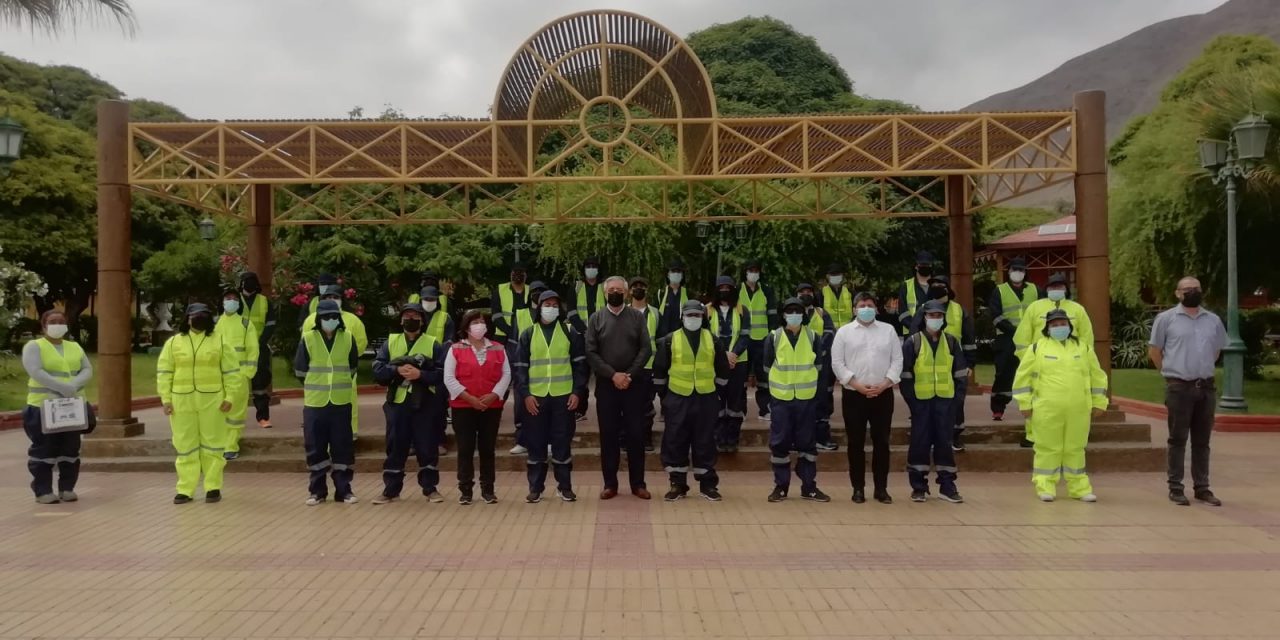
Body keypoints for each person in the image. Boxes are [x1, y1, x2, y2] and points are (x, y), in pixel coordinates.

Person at [1013, 308, 1107, 503]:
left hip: (1078, 408)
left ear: (1070, 326)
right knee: (1048, 448)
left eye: (1062, 324)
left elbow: (1097, 376)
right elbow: (1022, 378)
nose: (1059, 327)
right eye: (1054, 325)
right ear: (1048, 328)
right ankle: (1045, 485)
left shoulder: (1083, 348)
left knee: (1076, 448)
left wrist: (1099, 402)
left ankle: (1079, 488)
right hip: (1047, 408)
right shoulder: (1037, 348)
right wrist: (1024, 403)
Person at [1148, 276, 1227, 507]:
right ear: (1177, 293)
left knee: (1202, 441)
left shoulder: (1213, 320)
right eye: (1187, 289)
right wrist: (1170, 373)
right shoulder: (1166, 319)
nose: (1192, 292)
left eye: (1196, 288)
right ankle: (1176, 487)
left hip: (1206, 387)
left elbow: (1216, 351)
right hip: (1179, 387)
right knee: (1178, 439)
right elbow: (1155, 351)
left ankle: (1202, 488)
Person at [158, 303, 241, 505]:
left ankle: (213, 487)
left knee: (213, 445)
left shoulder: (220, 341)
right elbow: (164, 372)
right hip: (181, 402)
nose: (199, 318)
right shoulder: (173, 343)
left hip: (213, 401)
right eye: (195, 315)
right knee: (185, 446)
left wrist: (230, 397)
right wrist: (166, 399)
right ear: (187, 318)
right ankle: (185, 489)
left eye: (204, 315)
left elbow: (232, 373)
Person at [514, 290, 588, 503]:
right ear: (539, 307)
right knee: (535, 443)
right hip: (536, 398)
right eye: (547, 304)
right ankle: (535, 488)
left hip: (563, 397)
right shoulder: (528, 333)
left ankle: (564, 487)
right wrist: (525, 395)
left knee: (562, 442)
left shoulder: (569, 332)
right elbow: (520, 368)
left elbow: (580, 366)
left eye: (555, 304)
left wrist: (577, 393)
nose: (551, 308)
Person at [371, 303, 447, 505]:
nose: (411, 319)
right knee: (395, 445)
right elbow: (378, 372)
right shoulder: (391, 342)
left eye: (415, 316)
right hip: (398, 403)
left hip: (425, 403)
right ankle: (391, 490)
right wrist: (396, 371)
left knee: (427, 445)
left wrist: (420, 374)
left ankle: (430, 488)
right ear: (401, 320)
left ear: (422, 321)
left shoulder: (433, 344)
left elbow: (442, 374)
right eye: (407, 316)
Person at [653, 300, 730, 502]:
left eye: (697, 315)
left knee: (705, 441)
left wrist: (717, 394)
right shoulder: (670, 340)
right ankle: (677, 484)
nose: (693, 318)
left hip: (706, 398)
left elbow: (723, 370)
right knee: (675, 439)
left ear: (703, 317)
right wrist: (665, 397)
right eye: (690, 315)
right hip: (678, 398)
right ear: (682, 317)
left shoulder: (713, 340)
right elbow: (659, 372)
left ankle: (708, 485)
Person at [587, 275, 655, 499]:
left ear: (626, 293)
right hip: (607, 386)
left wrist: (629, 375)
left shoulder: (636, 317)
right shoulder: (596, 318)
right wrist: (612, 375)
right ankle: (610, 484)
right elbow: (591, 352)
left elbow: (646, 349)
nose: (615, 292)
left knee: (636, 435)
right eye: (611, 289)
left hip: (634, 385)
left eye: (619, 289)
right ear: (605, 293)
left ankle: (638, 484)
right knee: (608, 436)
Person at [831, 291, 903, 504]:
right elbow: (837, 363)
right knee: (856, 443)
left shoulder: (888, 331)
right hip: (855, 395)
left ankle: (881, 489)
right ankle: (858, 488)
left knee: (882, 442)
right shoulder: (844, 333)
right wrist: (857, 385)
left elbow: (897, 361)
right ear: (854, 309)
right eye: (862, 305)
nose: (866, 308)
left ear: (876, 308)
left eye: (870, 304)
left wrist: (885, 383)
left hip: (883, 393)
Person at [900, 300, 968, 503]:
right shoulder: (913, 342)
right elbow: (905, 376)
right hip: (921, 402)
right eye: (932, 316)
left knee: (944, 444)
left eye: (939, 316)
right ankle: (918, 486)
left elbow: (960, 374)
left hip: (946, 402)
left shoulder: (952, 342)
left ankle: (947, 486)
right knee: (919, 443)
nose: (935, 319)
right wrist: (913, 402)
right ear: (924, 318)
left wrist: (957, 400)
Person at [762, 298, 829, 502]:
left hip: (806, 399)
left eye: (798, 311)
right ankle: (780, 486)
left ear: (803, 315)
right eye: (789, 311)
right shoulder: (773, 337)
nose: (794, 315)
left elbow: (818, 366)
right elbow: (766, 368)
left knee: (807, 443)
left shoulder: (813, 337)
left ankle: (809, 486)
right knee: (780, 442)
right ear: (783, 315)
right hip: (781, 399)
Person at [22, 310, 93, 504]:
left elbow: (87, 369)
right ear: (44, 325)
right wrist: (62, 387)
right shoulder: (34, 346)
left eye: (61, 321)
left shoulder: (74, 346)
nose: (57, 325)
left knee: (70, 448)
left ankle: (67, 488)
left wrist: (74, 385)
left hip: (71, 408)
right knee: (45, 449)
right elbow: (35, 371)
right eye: (53, 321)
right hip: (43, 407)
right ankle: (42, 489)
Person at [294, 300, 360, 506]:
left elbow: (352, 367)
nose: (330, 320)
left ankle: (344, 491)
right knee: (315, 447)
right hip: (316, 403)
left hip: (340, 402)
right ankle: (317, 491)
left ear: (339, 318)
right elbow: (300, 371)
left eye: (333, 316)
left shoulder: (348, 338)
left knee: (342, 447)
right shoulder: (308, 338)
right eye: (325, 317)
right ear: (318, 319)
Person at [444, 310, 511, 505]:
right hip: (463, 406)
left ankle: (488, 490)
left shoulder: (498, 348)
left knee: (487, 448)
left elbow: (506, 374)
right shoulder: (455, 348)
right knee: (465, 449)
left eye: (482, 321)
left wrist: (494, 395)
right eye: (475, 322)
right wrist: (469, 398)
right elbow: (449, 378)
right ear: (466, 327)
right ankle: (465, 490)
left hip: (491, 406)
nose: (479, 325)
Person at [910, 275, 976, 451]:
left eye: (940, 285)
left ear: (948, 288)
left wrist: (970, 363)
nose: (936, 288)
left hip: (955, 363)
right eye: (933, 285)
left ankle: (954, 437)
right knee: (929, 404)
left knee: (956, 401)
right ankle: (931, 437)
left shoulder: (959, 310)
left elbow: (969, 338)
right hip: (926, 364)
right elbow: (913, 335)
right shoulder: (923, 309)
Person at [301, 282, 369, 438]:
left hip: (344, 374)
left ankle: (350, 435)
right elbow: (304, 348)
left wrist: (346, 357)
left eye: (336, 297)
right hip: (317, 378)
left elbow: (361, 343)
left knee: (348, 404)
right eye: (328, 297)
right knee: (317, 410)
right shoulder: (310, 320)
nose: (332, 299)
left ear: (342, 299)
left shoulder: (353, 320)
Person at [988, 257, 1040, 425]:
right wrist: (1015, 331)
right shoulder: (999, 291)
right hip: (1006, 338)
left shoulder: (1035, 290)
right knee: (1003, 372)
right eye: (1014, 270)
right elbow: (996, 316)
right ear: (1008, 272)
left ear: (1025, 273)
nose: (1018, 273)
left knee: (1034, 372)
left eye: (1021, 270)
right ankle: (998, 408)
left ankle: (1035, 406)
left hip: (1031, 339)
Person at [492, 264, 532, 454]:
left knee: (523, 384)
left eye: (521, 273)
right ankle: (494, 411)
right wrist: (511, 334)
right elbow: (497, 315)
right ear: (510, 274)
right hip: (504, 340)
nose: (517, 275)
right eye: (514, 272)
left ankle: (527, 436)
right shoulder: (500, 289)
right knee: (503, 380)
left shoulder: (532, 290)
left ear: (525, 275)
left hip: (528, 340)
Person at [709, 275, 751, 452]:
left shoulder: (742, 310)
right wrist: (722, 355)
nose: (724, 291)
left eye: (728, 287)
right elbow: (706, 335)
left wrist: (733, 354)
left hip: (738, 362)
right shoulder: (708, 310)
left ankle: (732, 439)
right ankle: (718, 438)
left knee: (736, 402)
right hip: (715, 363)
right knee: (716, 400)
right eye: (721, 287)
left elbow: (745, 335)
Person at [216, 288, 259, 460]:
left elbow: (253, 350)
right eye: (228, 298)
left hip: (239, 376)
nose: (231, 301)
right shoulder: (215, 324)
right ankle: (220, 443)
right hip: (218, 377)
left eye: (235, 298)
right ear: (223, 301)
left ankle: (231, 445)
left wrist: (247, 373)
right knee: (219, 411)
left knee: (235, 413)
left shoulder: (246, 324)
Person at [1014, 272, 1094, 359]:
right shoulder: (1034, 307)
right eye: (1052, 287)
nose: (1056, 289)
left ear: (1066, 289)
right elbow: (1022, 337)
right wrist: (1029, 359)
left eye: (1059, 287)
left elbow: (1087, 336)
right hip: (1040, 360)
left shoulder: (1078, 309)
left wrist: (1081, 356)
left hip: (1071, 360)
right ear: (1046, 289)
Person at [797, 283, 837, 451]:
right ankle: (798, 439)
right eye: (802, 292)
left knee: (822, 401)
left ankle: (822, 438)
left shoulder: (821, 313)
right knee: (800, 402)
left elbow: (829, 332)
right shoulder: (792, 313)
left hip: (820, 363)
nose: (806, 294)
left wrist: (818, 349)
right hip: (798, 365)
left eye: (809, 291)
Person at [739, 259, 779, 422]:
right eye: (751, 270)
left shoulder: (767, 291)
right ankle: (739, 410)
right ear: (745, 272)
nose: (753, 273)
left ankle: (765, 409)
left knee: (764, 376)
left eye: (756, 270)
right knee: (741, 376)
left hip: (763, 340)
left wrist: (773, 337)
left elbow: (772, 316)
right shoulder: (737, 290)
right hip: (743, 339)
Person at [418, 285, 455, 455]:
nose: (429, 302)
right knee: (415, 407)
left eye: (432, 299)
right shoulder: (415, 316)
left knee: (439, 406)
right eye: (426, 299)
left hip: (438, 366)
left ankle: (440, 441)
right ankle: (415, 442)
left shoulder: (444, 318)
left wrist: (437, 361)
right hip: (416, 367)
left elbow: (448, 343)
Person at [237, 271, 277, 429]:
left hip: (260, 348)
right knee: (236, 385)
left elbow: (271, 324)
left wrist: (260, 342)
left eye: (252, 281)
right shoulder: (235, 301)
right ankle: (234, 418)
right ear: (241, 284)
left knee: (260, 384)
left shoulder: (264, 301)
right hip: (238, 350)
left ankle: (263, 417)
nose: (249, 283)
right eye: (246, 281)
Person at [629, 275, 660, 451]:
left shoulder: (655, 313)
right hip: (629, 366)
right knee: (627, 405)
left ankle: (646, 438)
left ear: (647, 290)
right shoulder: (624, 311)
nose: (638, 289)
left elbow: (661, 338)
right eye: (635, 286)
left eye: (642, 286)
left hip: (649, 366)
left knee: (647, 405)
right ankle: (627, 439)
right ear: (630, 291)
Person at [896, 251, 935, 336]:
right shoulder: (906, 286)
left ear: (931, 266)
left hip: (935, 333)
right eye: (922, 265)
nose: (924, 267)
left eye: (927, 265)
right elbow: (902, 313)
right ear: (916, 266)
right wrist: (915, 328)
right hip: (912, 334)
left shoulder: (938, 285)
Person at [655, 257, 689, 338]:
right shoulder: (661, 293)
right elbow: (655, 317)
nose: (676, 273)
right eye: (673, 271)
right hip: (663, 339)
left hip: (682, 338)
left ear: (682, 274)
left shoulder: (688, 294)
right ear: (668, 274)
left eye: (678, 271)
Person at [821, 264, 854, 328]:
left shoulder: (850, 292)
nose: (835, 276)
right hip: (829, 331)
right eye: (833, 274)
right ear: (827, 276)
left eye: (838, 274)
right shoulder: (821, 293)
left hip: (847, 331)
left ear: (842, 276)